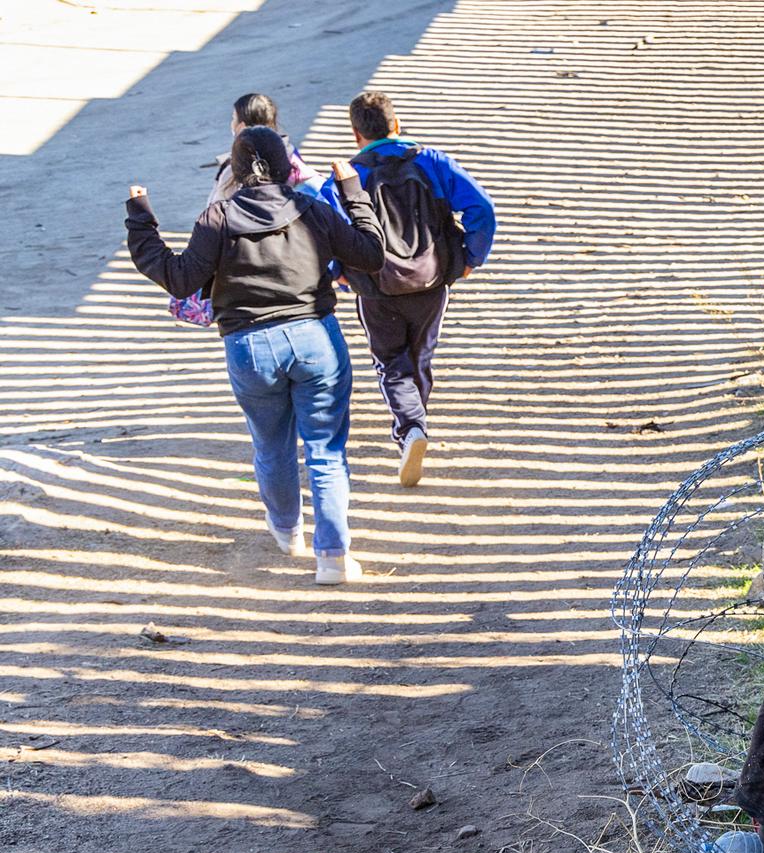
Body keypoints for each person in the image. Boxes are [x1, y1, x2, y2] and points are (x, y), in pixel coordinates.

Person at [127, 126, 386, 585]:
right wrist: (352, 191)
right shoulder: (312, 208)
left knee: (271, 444)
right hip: (314, 338)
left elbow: (180, 278)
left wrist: (141, 220)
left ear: (237, 170)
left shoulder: (218, 217)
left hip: (249, 347)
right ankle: (333, 558)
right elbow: (370, 254)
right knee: (326, 450)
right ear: (288, 166)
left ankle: (288, 533)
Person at [320, 90, 497, 487]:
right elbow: (481, 208)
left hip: (375, 285)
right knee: (421, 354)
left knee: (390, 360)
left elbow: (324, 227)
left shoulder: (348, 176)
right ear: (396, 125)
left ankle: (410, 427)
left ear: (355, 135)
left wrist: (338, 272)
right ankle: (415, 422)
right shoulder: (431, 161)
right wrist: (471, 256)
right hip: (432, 278)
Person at [206, 92, 320, 206]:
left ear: (243, 127)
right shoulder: (290, 154)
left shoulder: (234, 170)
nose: (231, 124)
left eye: (233, 119)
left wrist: (240, 140)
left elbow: (213, 210)